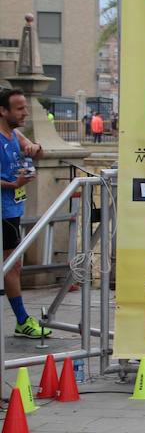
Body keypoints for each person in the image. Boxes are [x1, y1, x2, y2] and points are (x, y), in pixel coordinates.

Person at [0, 89, 50, 339]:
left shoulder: (14, 134)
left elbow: (36, 152)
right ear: (3, 110)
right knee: (12, 266)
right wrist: (13, 185)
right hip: (3, 211)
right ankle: (21, 320)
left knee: (13, 265)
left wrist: (34, 146)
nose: (25, 113)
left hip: (12, 209)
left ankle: (21, 319)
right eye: (19, 108)